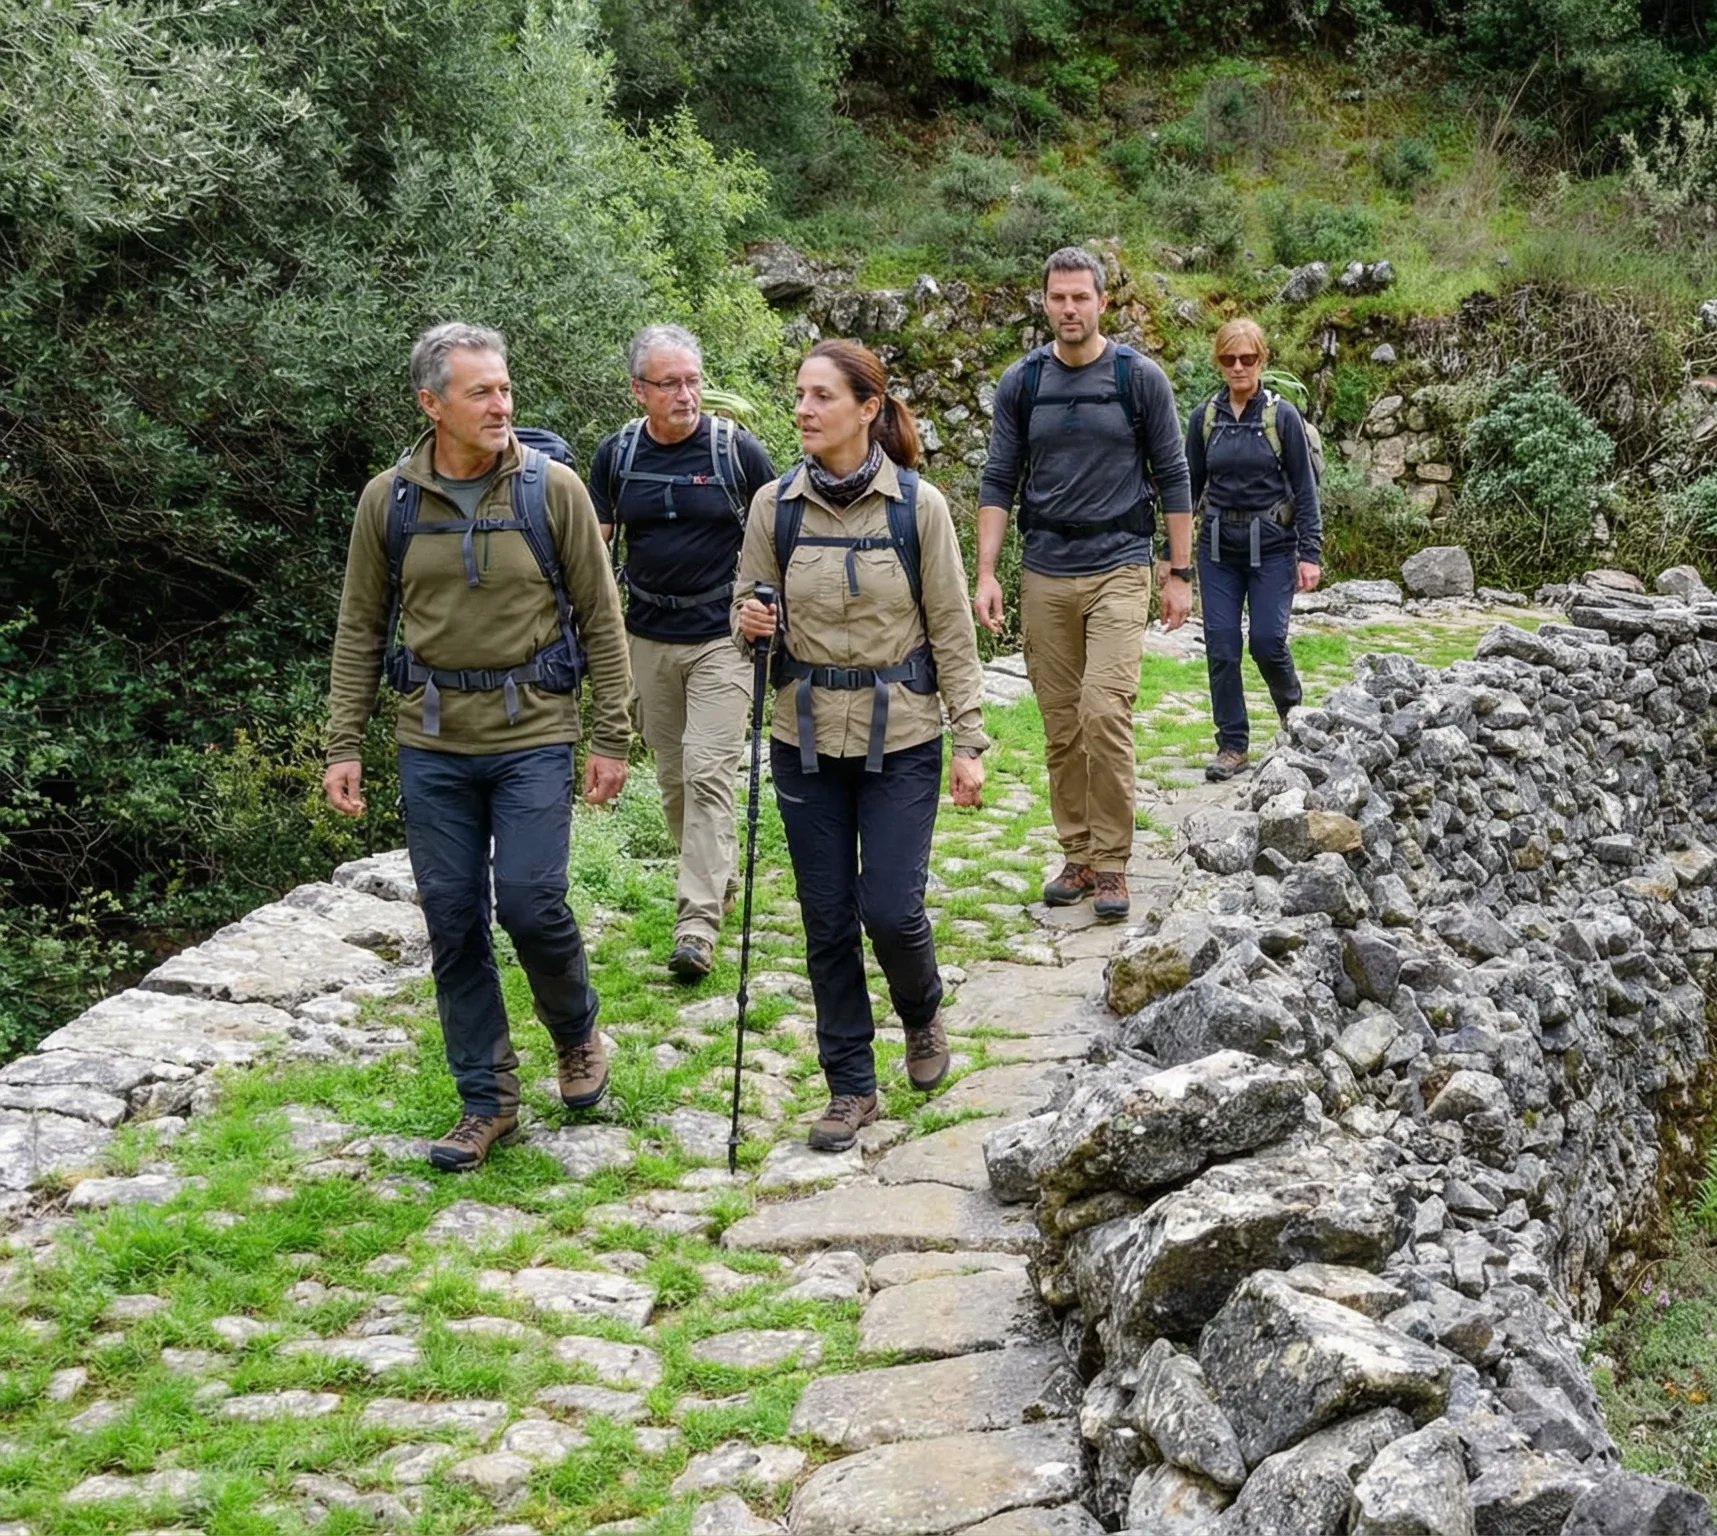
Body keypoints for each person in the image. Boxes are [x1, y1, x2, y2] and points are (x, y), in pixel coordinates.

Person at [323, 322, 632, 1172]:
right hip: (429, 740)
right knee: (453, 921)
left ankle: (574, 1034)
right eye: (481, 393)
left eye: (504, 389)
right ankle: (485, 1100)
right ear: (432, 404)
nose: (502, 406)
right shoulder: (386, 501)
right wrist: (340, 743)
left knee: (531, 903)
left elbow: (602, 618)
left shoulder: (552, 489)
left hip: (533, 731)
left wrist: (612, 734)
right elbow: (359, 626)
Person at [734, 340, 988, 1153]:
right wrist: (749, 623)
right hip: (800, 736)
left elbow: (951, 628)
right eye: (798, 395)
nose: (803, 409)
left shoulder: (919, 508)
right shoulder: (775, 506)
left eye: (820, 396)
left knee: (889, 907)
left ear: (866, 408)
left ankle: (920, 1014)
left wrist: (970, 742)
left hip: (904, 735)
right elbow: (746, 614)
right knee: (825, 919)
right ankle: (848, 1086)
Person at [975, 247, 1194, 923]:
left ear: (1102, 303)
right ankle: (1076, 853)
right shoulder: (1023, 382)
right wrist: (985, 571)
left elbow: (1174, 475)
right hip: (1043, 570)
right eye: (1057, 298)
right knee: (1061, 725)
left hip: (1120, 567)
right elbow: (997, 479)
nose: (1069, 309)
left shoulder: (1138, 379)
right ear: (1043, 303)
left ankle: (1113, 864)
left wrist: (1178, 572)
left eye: (1080, 297)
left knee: (1104, 713)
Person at [590, 325, 776, 983]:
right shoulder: (617, 456)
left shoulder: (735, 451)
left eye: (692, 379)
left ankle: (695, 926)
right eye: (668, 383)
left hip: (723, 639)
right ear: (639, 390)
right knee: (673, 781)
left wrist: (765, 605)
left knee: (706, 772)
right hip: (647, 636)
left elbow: (778, 533)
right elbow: (593, 549)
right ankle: (715, 879)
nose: (685, 394)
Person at [1185, 317, 1321, 782]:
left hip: (1275, 549)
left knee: (1266, 642)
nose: (1238, 366)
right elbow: (1188, 490)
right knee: (1222, 647)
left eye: (1247, 358)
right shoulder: (1205, 418)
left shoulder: (1282, 416)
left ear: (1262, 360)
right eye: (1229, 359)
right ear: (1219, 363)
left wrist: (1310, 553)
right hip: (1218, 550)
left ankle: (1293, 714)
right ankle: (1232, 745)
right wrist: (1174, 557)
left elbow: (1304, 488)